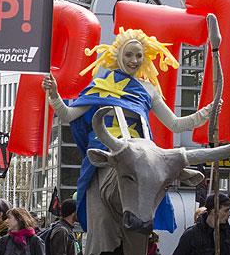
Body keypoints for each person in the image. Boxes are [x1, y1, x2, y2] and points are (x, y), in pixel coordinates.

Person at [42, 28, 213, 233]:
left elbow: (175, 124)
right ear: (118, 56)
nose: (134, 60)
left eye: (139, 55)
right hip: (107, 150)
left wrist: (207, 112)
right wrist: (54, 94)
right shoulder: (101, 83)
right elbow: (68, 115)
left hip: (140, 152)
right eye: (129, 54)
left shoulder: (149, 88)